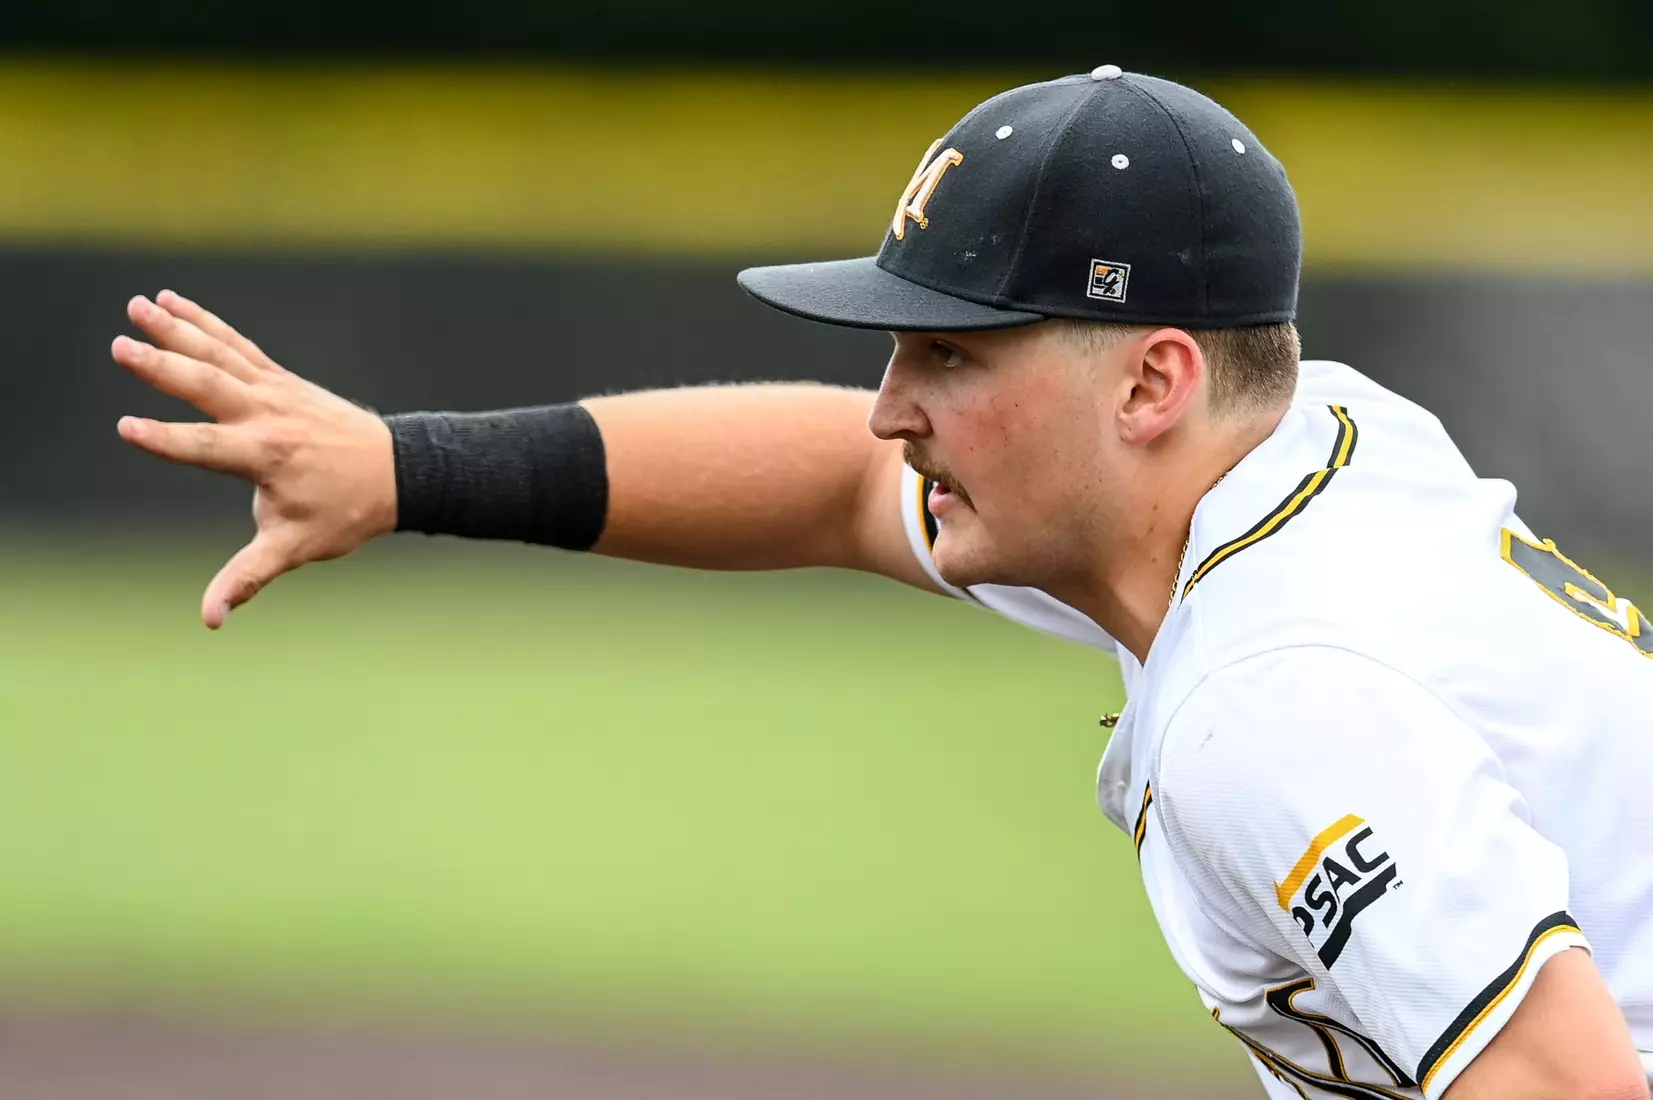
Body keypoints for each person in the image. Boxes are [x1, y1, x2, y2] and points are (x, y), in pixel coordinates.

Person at [109, 69, 1653, 1100]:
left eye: (953, 354)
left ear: (1151, 384)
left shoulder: (1272, 699)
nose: (890, 404)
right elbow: (842, 484)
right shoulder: (1307, 440)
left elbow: (1572, 1088)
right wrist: (406, 469)